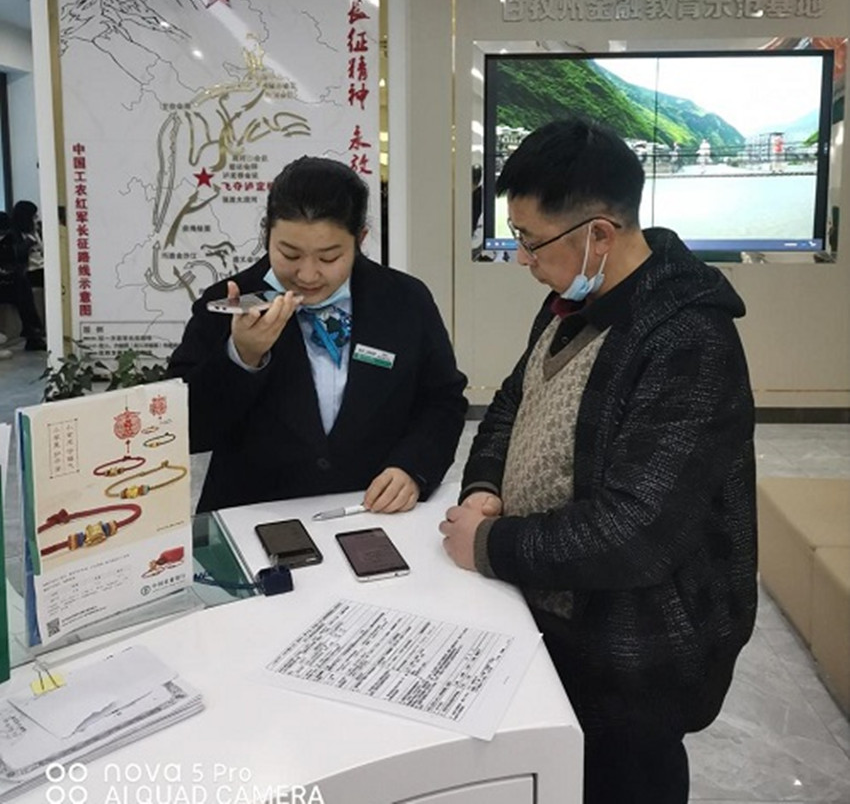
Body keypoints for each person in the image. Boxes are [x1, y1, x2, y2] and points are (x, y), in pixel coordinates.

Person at [439, 118, 756, 804]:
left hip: (634, 656)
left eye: (530, 240)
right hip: (551, 613)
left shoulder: (689, 340)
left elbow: (636, 531)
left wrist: (490, 544)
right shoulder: (570, 302)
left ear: (600, 235)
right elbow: (512, 402)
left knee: (625, 778)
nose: (522, 258)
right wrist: (485, 485)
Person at [168, 156, 468, 513]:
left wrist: (413, 467)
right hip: (254, 516)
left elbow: (442, 400)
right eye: (289, 254)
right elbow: (185, 429)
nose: (307, 275)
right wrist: (241, 357)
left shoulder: (404, 299)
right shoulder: (228, 304)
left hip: (369, 511)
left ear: (360, 239)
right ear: (267, 234)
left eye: (329, 258)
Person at [0, 211, 47, 351]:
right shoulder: (17, 236)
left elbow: (10, 260)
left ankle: (33, 333)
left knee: (21, 285)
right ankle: (33, 334)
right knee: (21, 284)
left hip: (8, 281)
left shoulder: (13, 238)